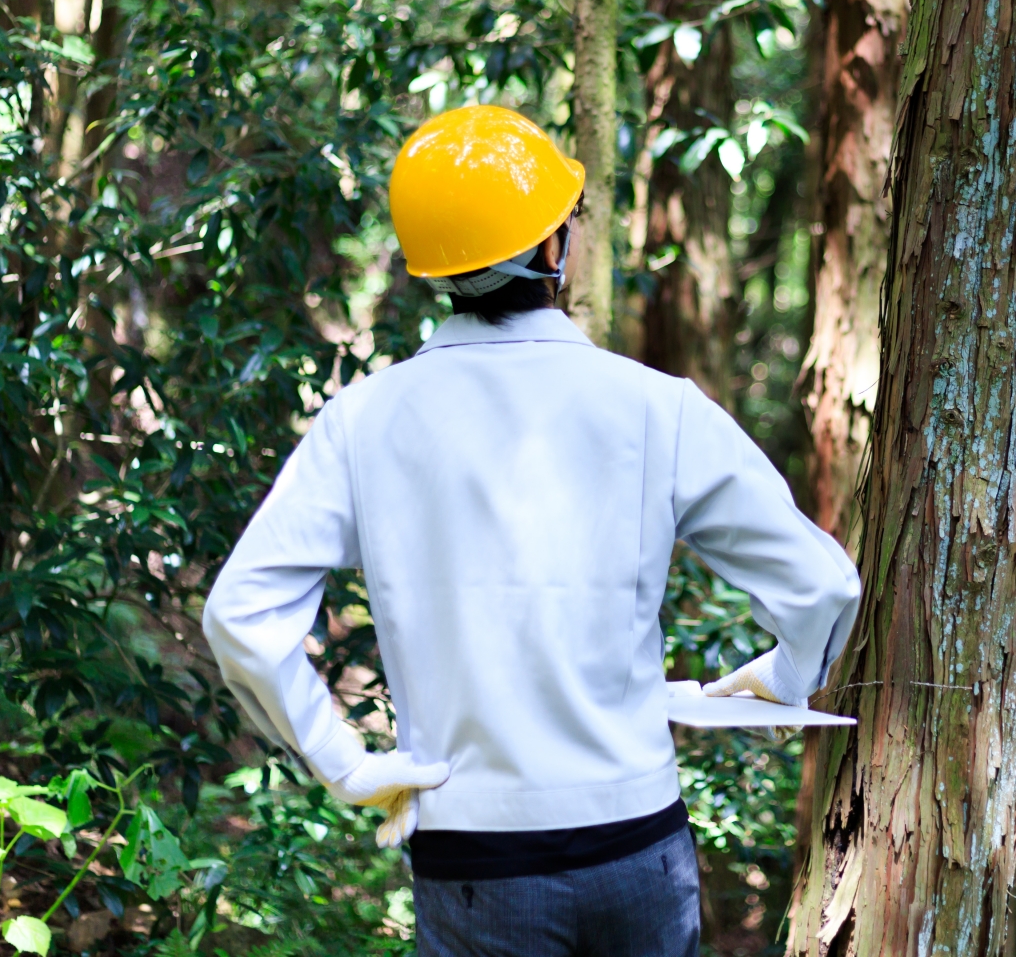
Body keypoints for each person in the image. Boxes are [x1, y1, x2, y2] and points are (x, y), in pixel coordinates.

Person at [202, 105, 861, 957]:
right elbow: (822, 585)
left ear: (434, 266)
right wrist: (786, 678)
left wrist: (346, 764)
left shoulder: (362, 422)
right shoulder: (655, 407)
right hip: (638, 846)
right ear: (555, 248)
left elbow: (240, 617)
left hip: (472, 860)